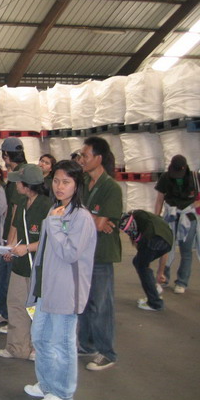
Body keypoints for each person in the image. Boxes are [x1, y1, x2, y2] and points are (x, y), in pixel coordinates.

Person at [24, 160, 97, 400]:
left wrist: (54, 225)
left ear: (77, 185)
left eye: (66, 182)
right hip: (46, 287)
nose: (59, 186)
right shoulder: (56, 210)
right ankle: (48, 385)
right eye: (56, 181)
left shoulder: (81, 217)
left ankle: (63, 394)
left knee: (62, 343)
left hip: (67, 290)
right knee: (40, 338)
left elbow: (69, 253)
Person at [78, 136, 122, 372]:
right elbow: (72, 212)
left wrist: (90, 219)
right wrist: (93, 218)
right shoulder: (84, 182)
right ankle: (87, 344)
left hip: (101, 254)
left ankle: (107, 352)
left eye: (85, 155)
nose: (81, 159)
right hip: (83, 252)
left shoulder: (111, 188)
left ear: (98, 158)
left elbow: (98, 223)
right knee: (84, 302)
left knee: (101, 304)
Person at [0, 164, 52, 362]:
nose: (15, 185)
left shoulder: (48, 206)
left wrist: (27, 248)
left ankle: (38, 347)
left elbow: (51, 239)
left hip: (39, 267)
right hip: (20, 265)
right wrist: (11, 247)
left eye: (18, 182)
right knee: (16, 305)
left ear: (27, 185)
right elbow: (16, 226)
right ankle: (17, 347)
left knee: (38, 310)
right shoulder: (22, 202)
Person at [0, 137, 28, 333]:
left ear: (6, 155)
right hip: (13, 234)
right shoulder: (20, 171)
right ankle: (5, 314)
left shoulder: (18, 177)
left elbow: (15, 210)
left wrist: (10, 242)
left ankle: (10, 318)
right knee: (4, 279)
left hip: (16, 237)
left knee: (9, 281)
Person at [154, 154, 200, 294]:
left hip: (188, 216)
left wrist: (194, 205)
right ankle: (163, 277)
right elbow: (159, 200)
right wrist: (156, 219)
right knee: (166, 248)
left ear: (185, 168)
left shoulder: (195, 177)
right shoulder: (165, 177)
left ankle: (182, 282)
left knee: (186, 251)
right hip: (171, 216)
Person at [119, 210, 173, 311]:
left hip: (153, 239)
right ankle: (154, 290)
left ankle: (155, 303)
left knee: (140, 264)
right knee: (140, 262)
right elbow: (164, 253)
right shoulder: (146, 219)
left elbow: (138, 242)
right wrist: (160, 273)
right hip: (168, 240)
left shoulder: (134, 219)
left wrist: (159, 272)